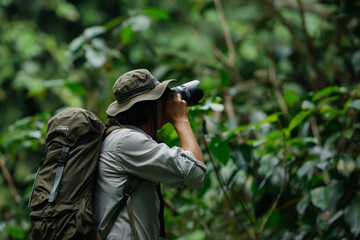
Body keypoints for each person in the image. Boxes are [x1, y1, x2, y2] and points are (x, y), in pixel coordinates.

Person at [93, 69, 207, 239]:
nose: (167, 101)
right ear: (148, 108)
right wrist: (181, 119)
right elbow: (196, 174)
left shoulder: (120, 138)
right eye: (161, 98)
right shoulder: (126, 141)